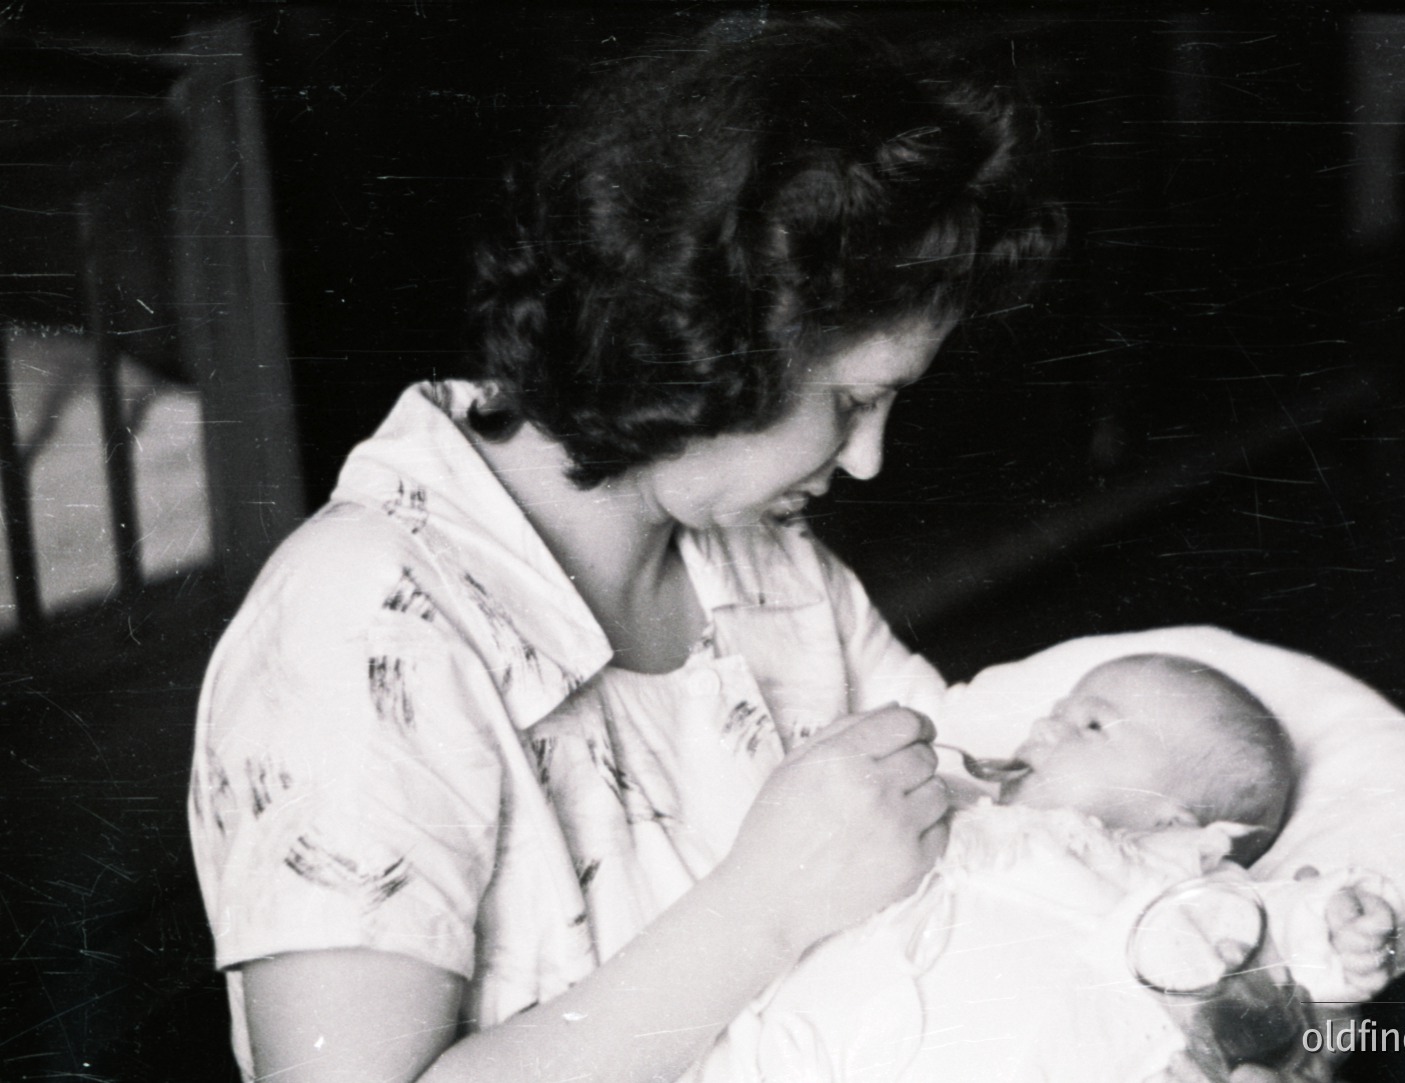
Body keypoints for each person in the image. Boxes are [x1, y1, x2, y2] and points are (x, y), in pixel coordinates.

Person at [189, 16, 1068, 1083]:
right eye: (851, 401)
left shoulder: (761, 556)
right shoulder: (364, 627)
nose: (869, 460)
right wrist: (764, 907)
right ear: (711, 334)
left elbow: (975, 808)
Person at [730, 654, 1399, 1083]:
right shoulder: (956, 809)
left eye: (1092, 726)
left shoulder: (1172, 879)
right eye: (1054, 713)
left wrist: (1333, 927)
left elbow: (1267, 939)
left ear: (1173, 819)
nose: (1045, 727)